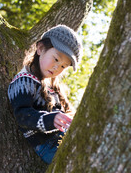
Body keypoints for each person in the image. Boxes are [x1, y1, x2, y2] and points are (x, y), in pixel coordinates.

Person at [7, 25, 82, 164]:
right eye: (56, 59)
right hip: (48, 144)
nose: (57, 67)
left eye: (63, 66)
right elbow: (22, 115)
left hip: (62, 138)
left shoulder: (52, 85)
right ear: (40, 48)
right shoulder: (24, 80)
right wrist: (50, 120)